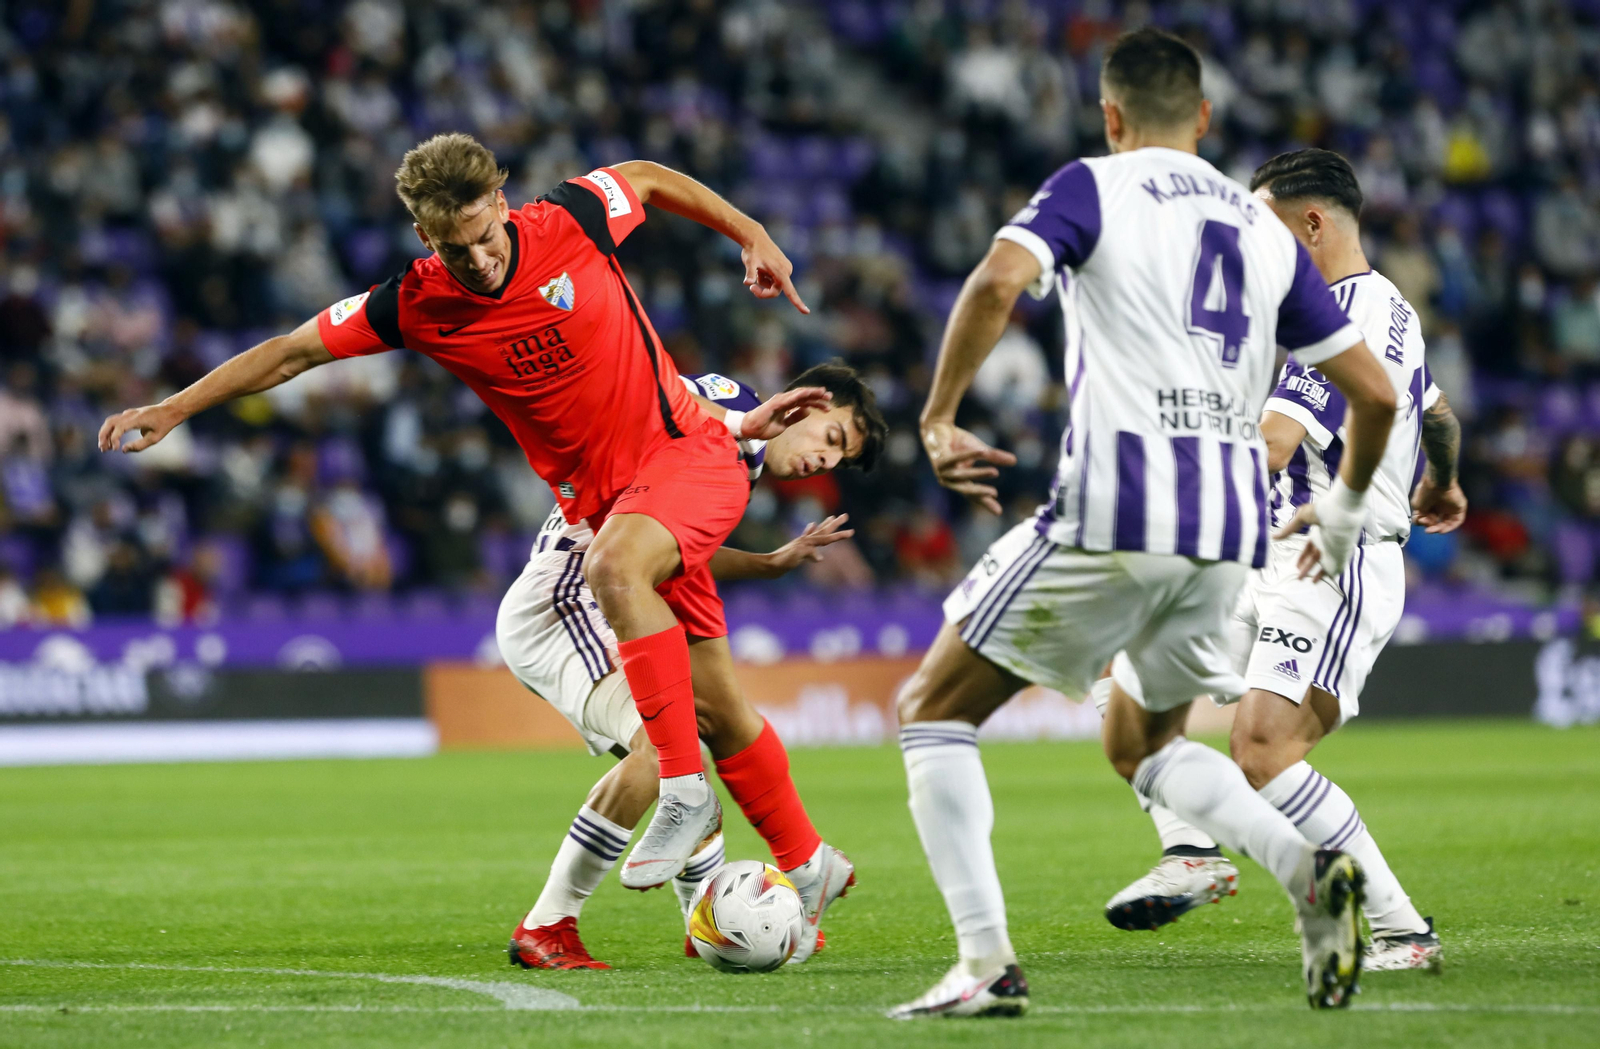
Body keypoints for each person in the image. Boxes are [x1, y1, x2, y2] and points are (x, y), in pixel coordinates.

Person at [97, 133, 838, 893]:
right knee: (719, 706)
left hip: (679, 454)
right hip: (609, 504)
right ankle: (811, 865)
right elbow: (292, 352)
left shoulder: (573, 218)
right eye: (456, 249)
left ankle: (678, 798)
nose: (479, 260)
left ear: (504, 203)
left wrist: (752, 232)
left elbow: (646, 178)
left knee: (618, 574)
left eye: (485, 236)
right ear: (424, 237)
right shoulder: (414, 302)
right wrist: (176, 407)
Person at [888, 28, 1398, 1019]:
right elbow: (1372, 396)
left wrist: (940, 415)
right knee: (1141, 744)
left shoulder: (1092, 183)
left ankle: (985, 965)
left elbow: (996, 281)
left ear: (1110, 116)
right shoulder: (1261, 230)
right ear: (1204, 118)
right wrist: (1337, 511)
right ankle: (1306, 869)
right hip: (1225, 529)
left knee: (932, 706)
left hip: (1115, 506)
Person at [1100, 149, 1463, 974]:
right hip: (1266, 558)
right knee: (1122, 670)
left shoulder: (1339, 317)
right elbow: (1436, 410)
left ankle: (1406, 933)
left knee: (1263, 747)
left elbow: (1272, 445)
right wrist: (1442, 479)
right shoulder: (1388, 309)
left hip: (1331, 564)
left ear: (1311, 223)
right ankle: (1193, 849)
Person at [503, 367, 887, 971]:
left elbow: (674, 555)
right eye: (833, 438)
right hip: (569, 600)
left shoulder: (741, 465)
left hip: (609, 596)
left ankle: (712, 915)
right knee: (666, 754)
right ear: (808, 403)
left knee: (694, 739)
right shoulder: (730, 410)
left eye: (838, 461)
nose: (824, 461)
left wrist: (767, 564)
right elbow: (662, 392)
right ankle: (548, 925)